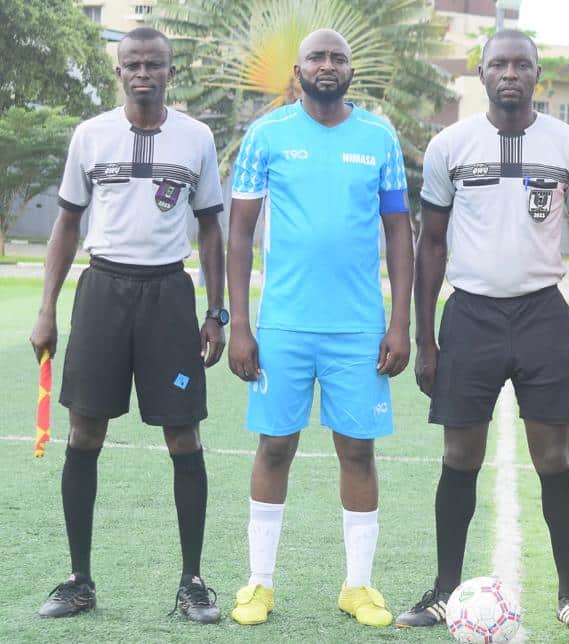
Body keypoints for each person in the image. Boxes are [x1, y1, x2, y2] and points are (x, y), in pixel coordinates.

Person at [394, 29, 569, 636]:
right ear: (480, 72)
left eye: (521, 64)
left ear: (538, 74)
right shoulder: (450, 145)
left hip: (543, 315)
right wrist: (428, 337)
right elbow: (429, 243)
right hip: (470, 316)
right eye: (498, 64)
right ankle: (442, 591)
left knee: (554, 457)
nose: (509, 73)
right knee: (459, 455)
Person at [28, 27, 225, 623]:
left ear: (171, 70)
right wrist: (46, 308)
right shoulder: (90, 135)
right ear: (120, 73)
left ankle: (192, 581)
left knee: (183, 438)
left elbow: (211, 227)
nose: (143, 74)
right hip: (103, 292)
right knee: (84, 435)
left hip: (169, 295)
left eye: (154, 65)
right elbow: (67, 223)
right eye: (133, 65)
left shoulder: (197, 138)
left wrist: (216, 312)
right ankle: (79, 579)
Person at [225, 29, 413, 628]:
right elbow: (238, 235)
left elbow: (399, 237)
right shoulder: (267, 134)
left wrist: (400, 322)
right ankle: (259, 584)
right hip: (282, 325)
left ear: (350, 70)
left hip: (358, 328)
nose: (327, 66)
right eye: (316, 57)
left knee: (357, 451)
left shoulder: (379, 137)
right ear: (299, 70)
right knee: (274, 446)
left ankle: (357, 586)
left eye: (337, 57)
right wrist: (240, 325)